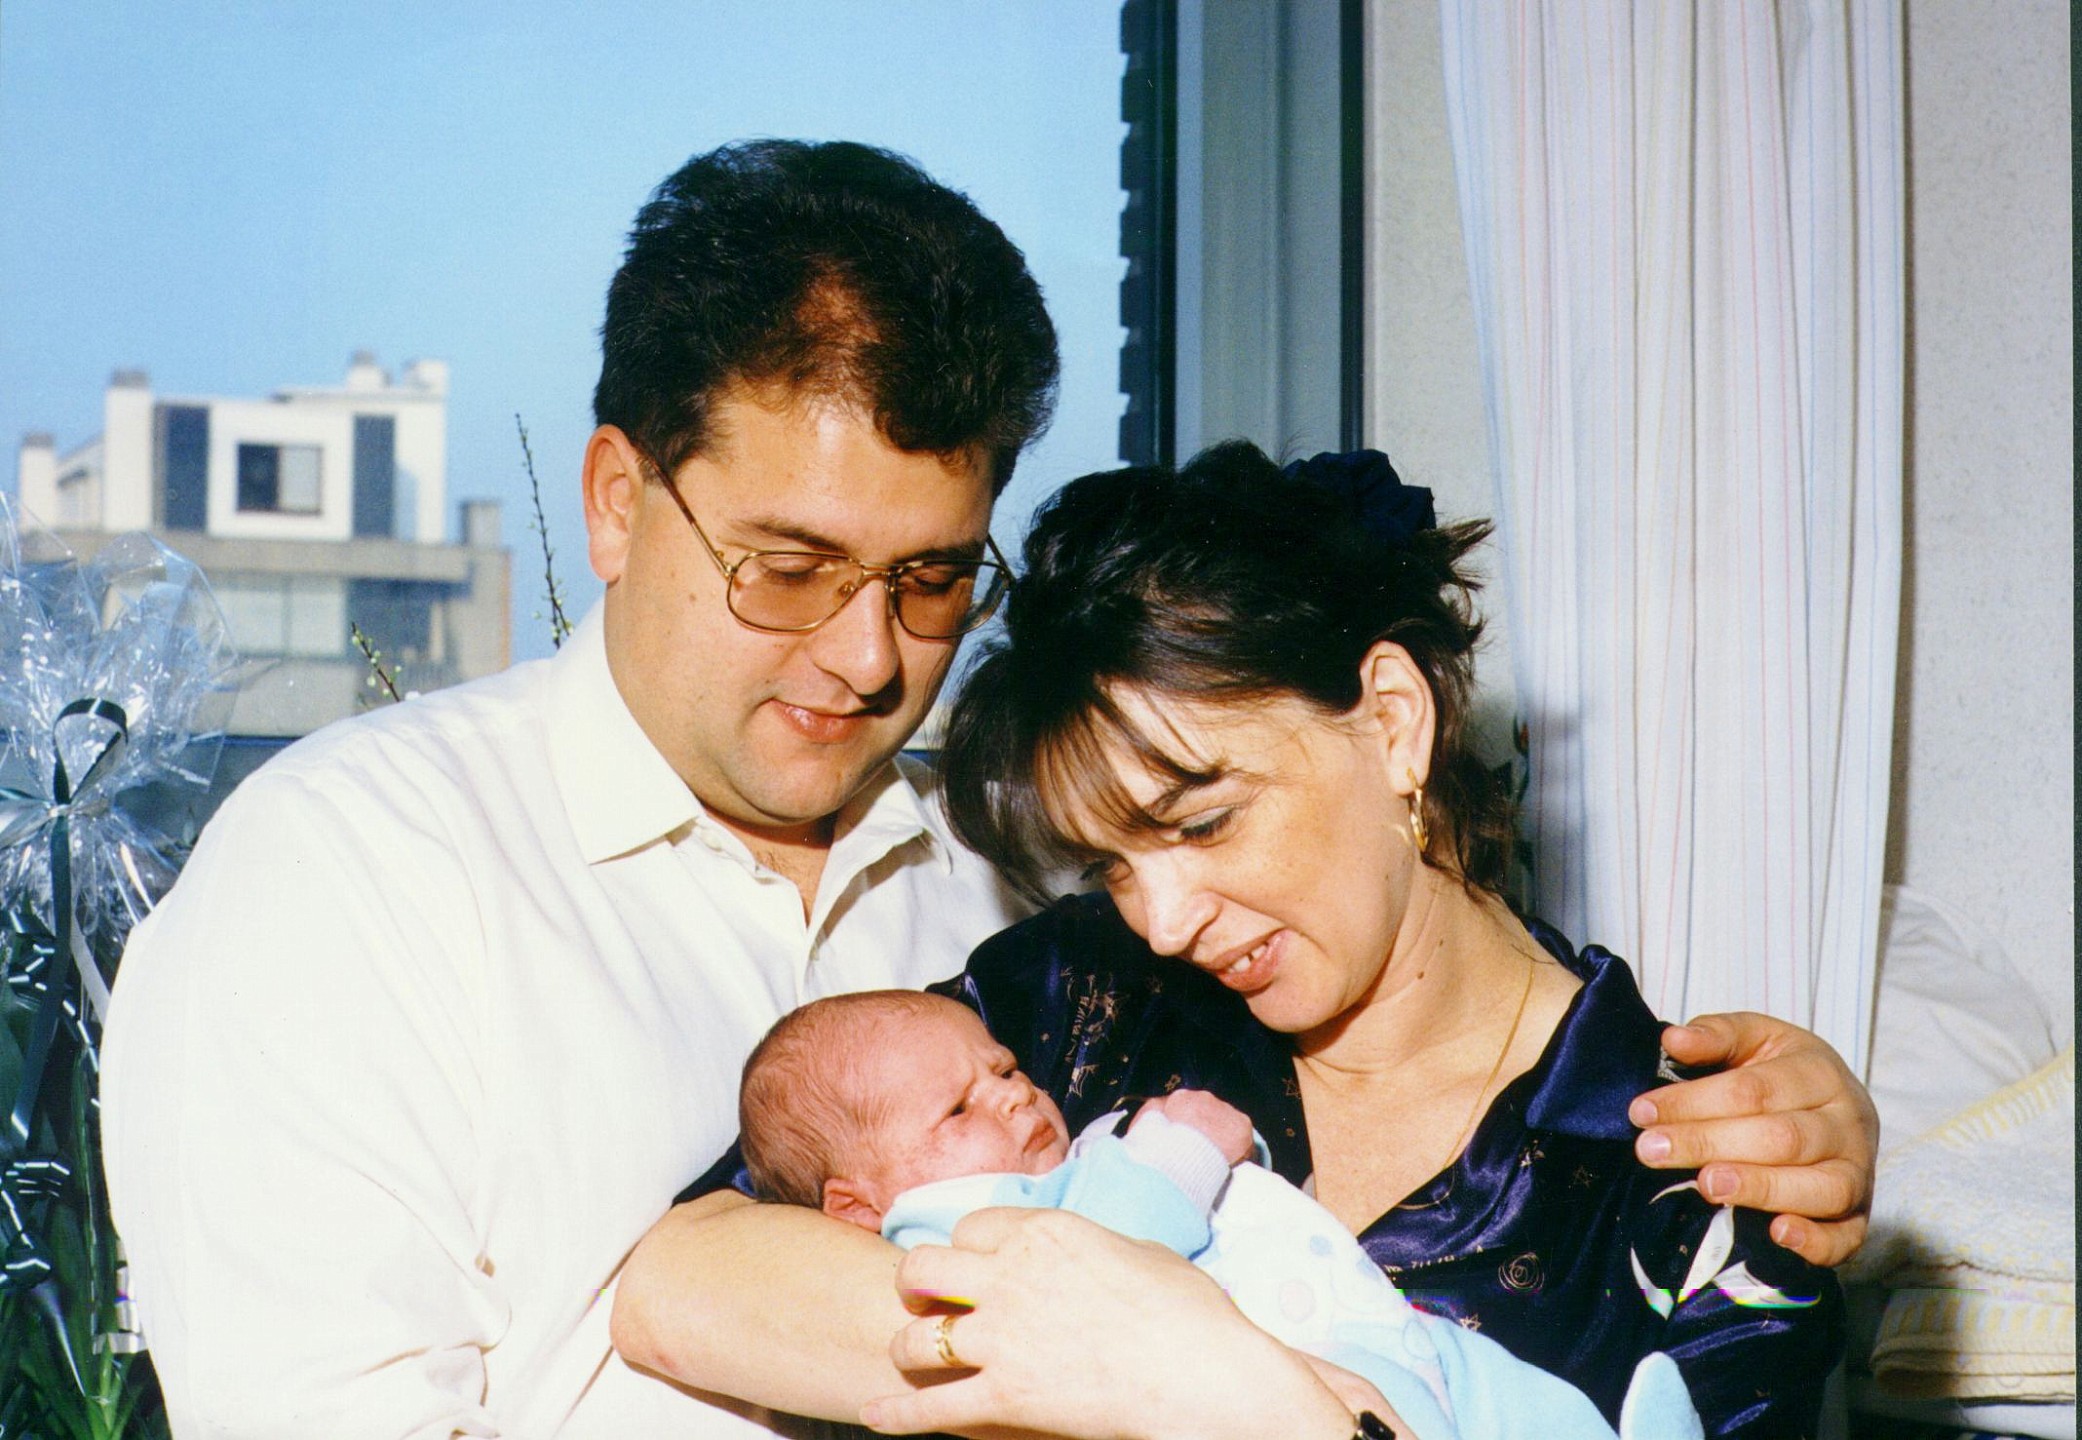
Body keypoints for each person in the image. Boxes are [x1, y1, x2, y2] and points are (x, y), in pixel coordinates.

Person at [101, 135, 1873, 1439]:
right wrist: (1178, 1368)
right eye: (787, 567)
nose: (866, 657)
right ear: (620, 504)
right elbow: (651, 1290)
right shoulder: (348, 884)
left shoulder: (1025, 897)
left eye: (933, 578)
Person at [614, 444, 1846, 1440]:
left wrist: (1251, 1400)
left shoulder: (1696, 1171)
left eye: (1202, 820)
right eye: (1112, 862)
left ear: (1393, 724)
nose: (1162, 920)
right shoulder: (1087, 1001)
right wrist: (1087, 1346)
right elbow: (681, 1283)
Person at [734, 988, 1710, 1440]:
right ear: (858, 1206)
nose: (1011, 1094)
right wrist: (1184, 1150)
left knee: (1503, 1392)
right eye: (958, 1109)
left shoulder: (1070, 1153)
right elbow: (1095, 1260)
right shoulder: (953, 1228)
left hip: (1387, 1332)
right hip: (1309, 1365)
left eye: (1004, 1067)